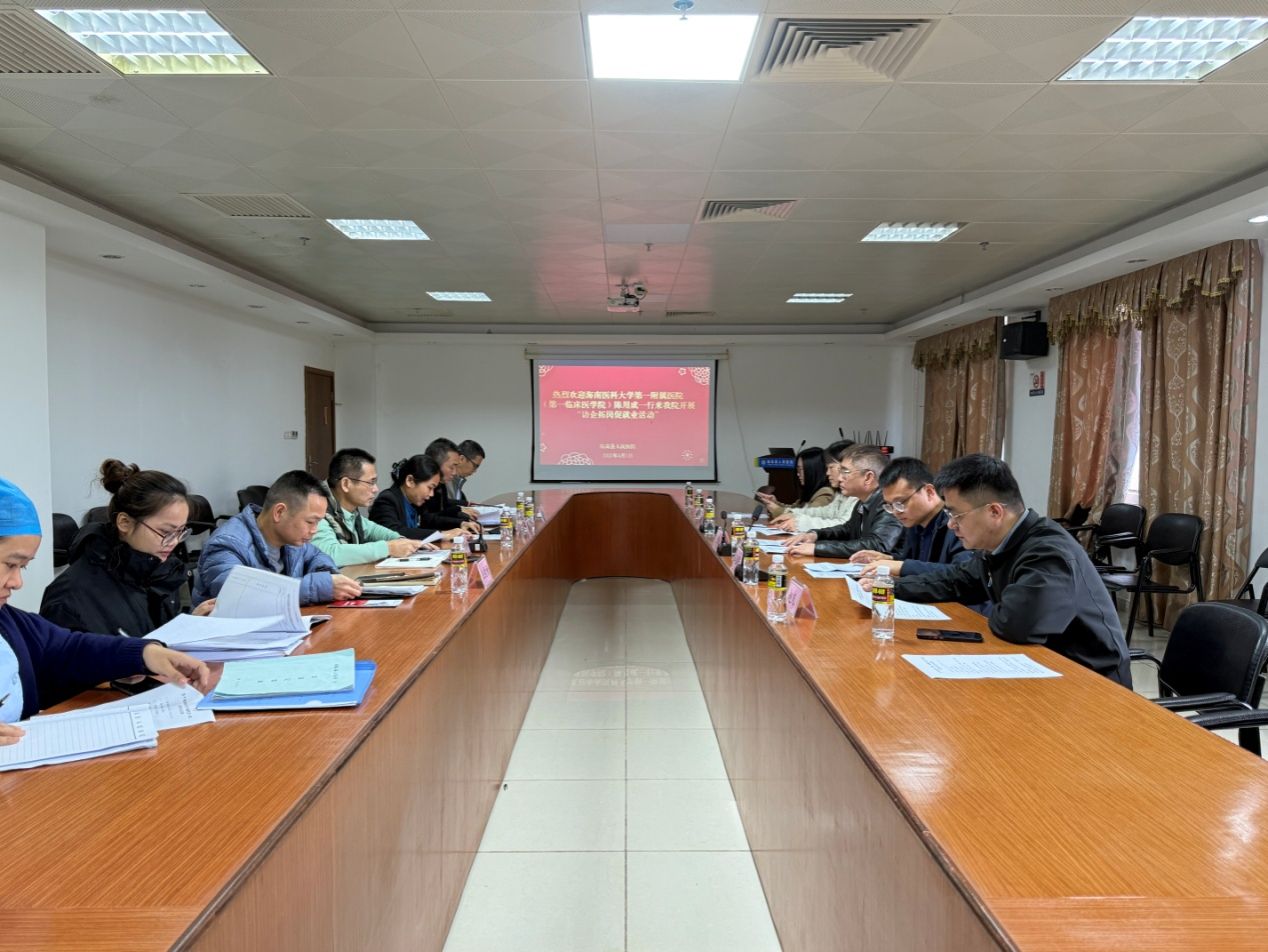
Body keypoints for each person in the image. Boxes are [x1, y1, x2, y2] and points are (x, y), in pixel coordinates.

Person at [0, 478, 210, 743]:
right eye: (10, 564)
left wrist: (145, 653)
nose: (17, 582)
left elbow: (68, 648)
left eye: (23, 567)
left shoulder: (11, 623)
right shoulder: (71, 595)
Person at [893, 454, 1132, 686]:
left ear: (995, 512)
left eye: (957, 514)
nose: (950, 524)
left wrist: (994, 606)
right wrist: (890, 588)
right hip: (1039, 667)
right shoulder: (999, 544)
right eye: (948, 513)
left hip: (1090, 681)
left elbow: (1016, 625)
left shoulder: (1049, 552)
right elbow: (957, 581)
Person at [41, 459, 214, 637]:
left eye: (180, 531)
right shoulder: (70, 596)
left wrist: (188, 628)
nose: (174, 541)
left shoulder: (161, 570)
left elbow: (158, 637)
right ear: (124, 522)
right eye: (165, 532)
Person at [194, 470, 360, 605]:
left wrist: (328, 577)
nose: (314, 530)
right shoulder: (227, 544)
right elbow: (239, 595)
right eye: (310, 522)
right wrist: (319, 586)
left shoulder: (292, 539)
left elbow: (316, 556)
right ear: (279, 512)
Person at [851, 457, 972, 579]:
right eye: (890, 505)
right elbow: (918, 562)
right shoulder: (915, 522)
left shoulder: (956, 522)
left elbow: (962, 574)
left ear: (929, 492)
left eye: (900, 503)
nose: (895, 512)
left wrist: (902, 567)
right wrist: (890, 559)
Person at [312, 448, 430, 568]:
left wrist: (401, 540)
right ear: (346, 484)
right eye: (370, 482)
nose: (376, 489)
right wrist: (388, 548)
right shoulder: (317, 509)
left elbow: (371, 529)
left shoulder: (349, 511)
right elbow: (330, 553)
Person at [784, 445, 902, 559]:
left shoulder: (888, 503)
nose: (840, 478)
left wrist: (818, 548)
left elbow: (876, 545)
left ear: (868, 478)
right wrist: (815, 535)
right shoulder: (863, 501)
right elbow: (847, 530)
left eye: (845, 472)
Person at [370, 454, 470, 541]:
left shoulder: (415, 501)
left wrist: (461, 523)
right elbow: (394, 532)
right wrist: (441, 535)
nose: (432, 494)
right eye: (430, 488)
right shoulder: (387, 500)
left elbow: (430, 520)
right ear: (410, 481)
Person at [768, 440, 858, 532]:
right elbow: (824, 512)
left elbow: (844, 526)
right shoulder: (842, 494)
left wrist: (799, 523)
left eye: (831, 467)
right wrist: (793, 514)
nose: (827, 473)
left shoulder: (855, 496)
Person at [757, 446, 833, 519]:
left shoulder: (825, 494)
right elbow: (794, 509)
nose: (797, 474)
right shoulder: (811, 490)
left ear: (813, 470)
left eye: (801, 469)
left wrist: (776, 509)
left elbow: (805, 518)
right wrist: (775, 503)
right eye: (797, 469)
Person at [421, 438, 479, 533]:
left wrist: (461, 520)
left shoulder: (441, 484)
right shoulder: (421, 489)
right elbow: (426, 520)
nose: (455, 472)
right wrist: (459, 521)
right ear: (435, 465)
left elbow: (439, 513)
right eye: (452, 467)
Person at [449, 439, 485, 507]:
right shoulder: (445, 480)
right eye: (475, 466)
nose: (475, 471)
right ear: (461, 459)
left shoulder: (458, 481)